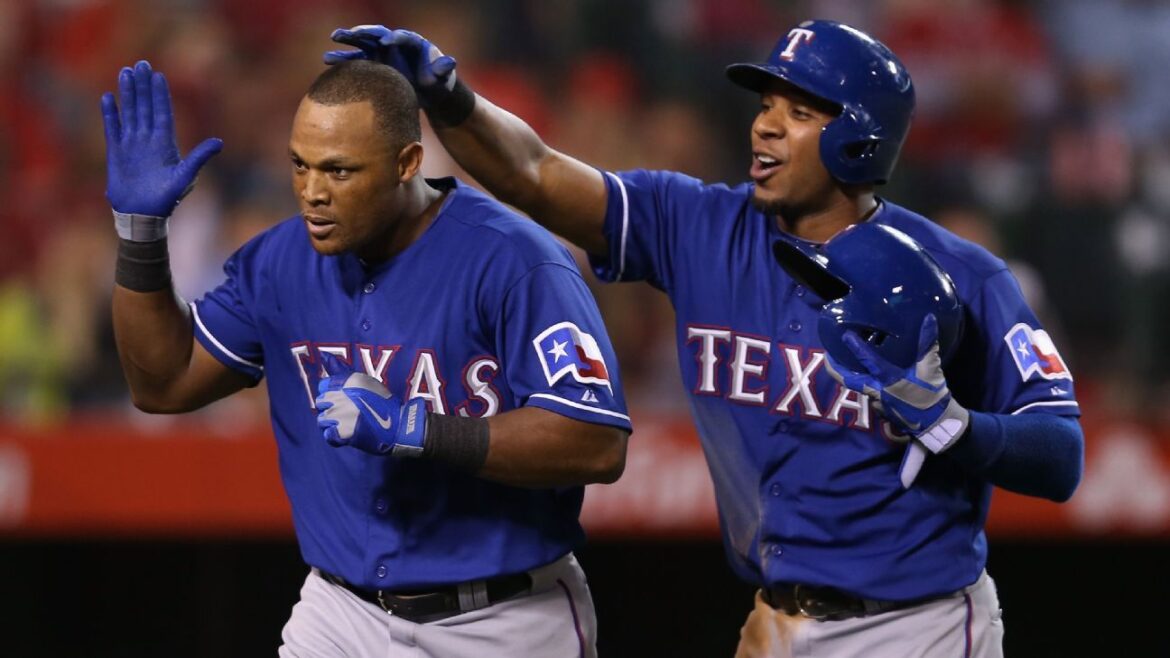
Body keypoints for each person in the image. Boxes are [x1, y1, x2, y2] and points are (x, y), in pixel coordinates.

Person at [322, 19, 1085, 657]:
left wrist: (954, 426)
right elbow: (535, 174)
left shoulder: (962, 276)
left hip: (914, 626)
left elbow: (1061, 453)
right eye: (767, 103)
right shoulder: (699, 226)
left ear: (860, 137)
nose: (765, 124)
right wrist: (450, 100)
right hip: (776, 621)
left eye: (800, 110)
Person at [102, 58, 632, 657]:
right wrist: (140, 235)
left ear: (408, 163)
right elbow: (163, 383)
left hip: (503, 619)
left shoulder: (514, 260)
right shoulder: (280, 263)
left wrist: (417, 430)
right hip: (340, 614)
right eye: (299, 165)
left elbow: (596, 442)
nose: (312, 192)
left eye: (339, 170)